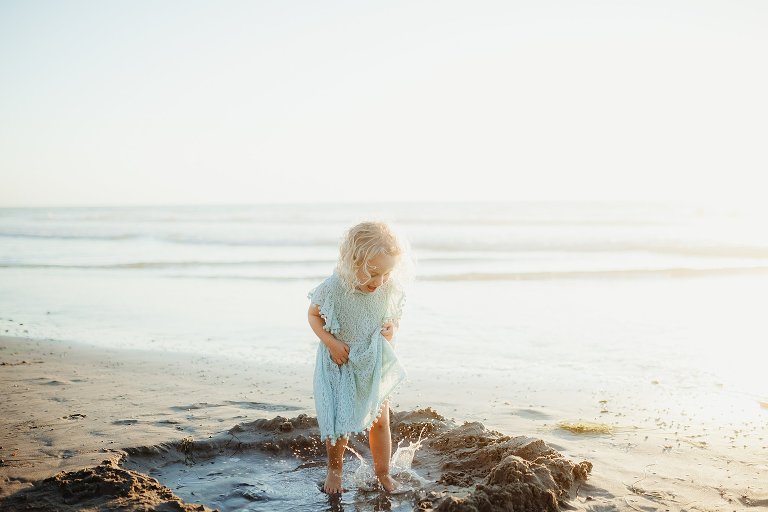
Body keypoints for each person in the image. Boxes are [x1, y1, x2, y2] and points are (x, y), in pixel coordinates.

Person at [307, 220, 412, 495]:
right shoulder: (334, 288)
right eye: (372, 273)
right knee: (339, 422)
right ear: (353, 263)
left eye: (386, 274)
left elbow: (392, 317)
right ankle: (335, 470)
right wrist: (331, 342)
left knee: (380, 420)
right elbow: (313, 315)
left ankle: (383, 473)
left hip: (371, 359)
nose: (379, 282)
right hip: (340, 360)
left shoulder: (386, 287)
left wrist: (392, 328)